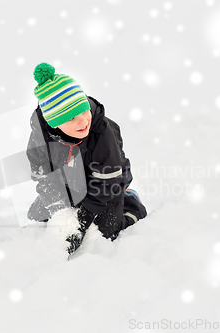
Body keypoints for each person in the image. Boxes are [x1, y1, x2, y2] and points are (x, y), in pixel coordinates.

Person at [26, 62, 147, 254]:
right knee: (38, 216)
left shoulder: (102, 132)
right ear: (54, 124)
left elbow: (107, 180)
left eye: (84, 111)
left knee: (106, 230)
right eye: (71, 118)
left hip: (105, 184)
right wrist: (61, 211)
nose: (83, 121)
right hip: (68, 184)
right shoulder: (41, 138)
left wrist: (81, 220)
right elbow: (43, 175)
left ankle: (130, 201)